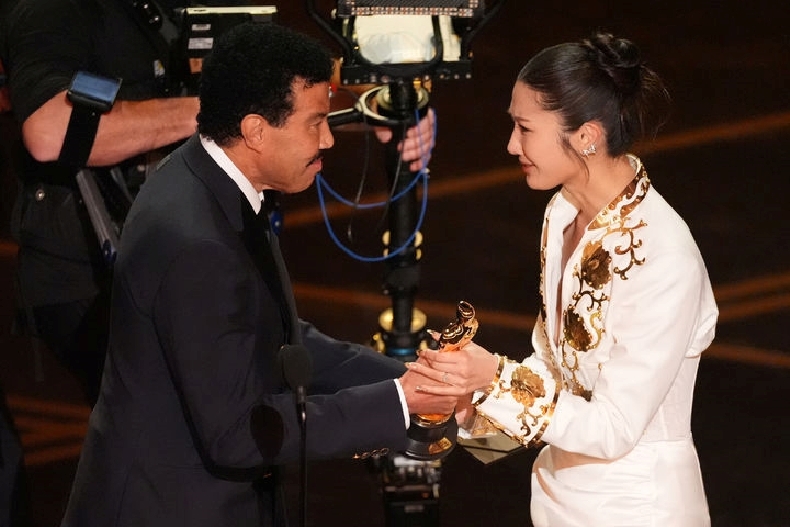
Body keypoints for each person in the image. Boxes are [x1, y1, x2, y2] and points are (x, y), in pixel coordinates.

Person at [60, 22, 454, 527]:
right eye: (315, 122)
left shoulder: (206, 181)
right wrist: (399, 404)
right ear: (255, 131)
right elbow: (238, 433)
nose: (328, 139)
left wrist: (409, 381)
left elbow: (275, 340)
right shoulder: (196, 243)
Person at [1, 0, 433, 407]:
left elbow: (272, 92)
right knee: (212, 429)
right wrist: (219, 112)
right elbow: (49, 131)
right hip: (96, 274)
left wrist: (378, 102)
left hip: (200, 251)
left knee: (255, 402)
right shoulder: (54, 8)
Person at [409, 32, 719, 526]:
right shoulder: (563, 213)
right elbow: (555, 369)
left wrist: (492, 379)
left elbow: (614, 428)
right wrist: (471, 406)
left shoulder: (662, 257)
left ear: (587, 136)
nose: (512, 144)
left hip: (639, 509)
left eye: (524, 128)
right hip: (558, 500)